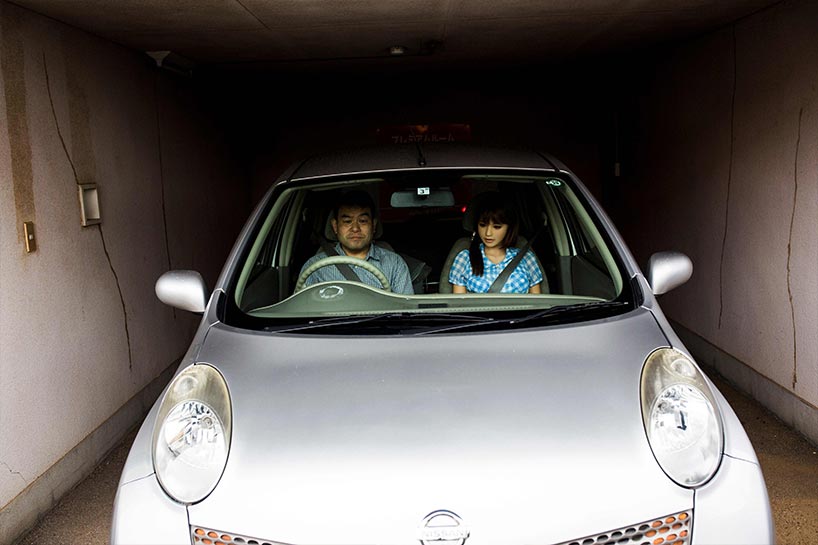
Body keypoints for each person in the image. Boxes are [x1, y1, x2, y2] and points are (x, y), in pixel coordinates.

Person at [299, 190, 414, 294]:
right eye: (347, 221)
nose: (355, 228)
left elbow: (406, 307)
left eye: (363, 221)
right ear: (335, 226)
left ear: (373, 225)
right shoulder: (314, 268)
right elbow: (304, 308)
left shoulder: (394, 263)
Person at [448, 194, 543, 294]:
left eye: (497, 227)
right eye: (482, 225)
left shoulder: (526, 258)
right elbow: (460, 302)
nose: (488, 233)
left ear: (509, 227)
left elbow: (538, 300)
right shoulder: (465, 258)